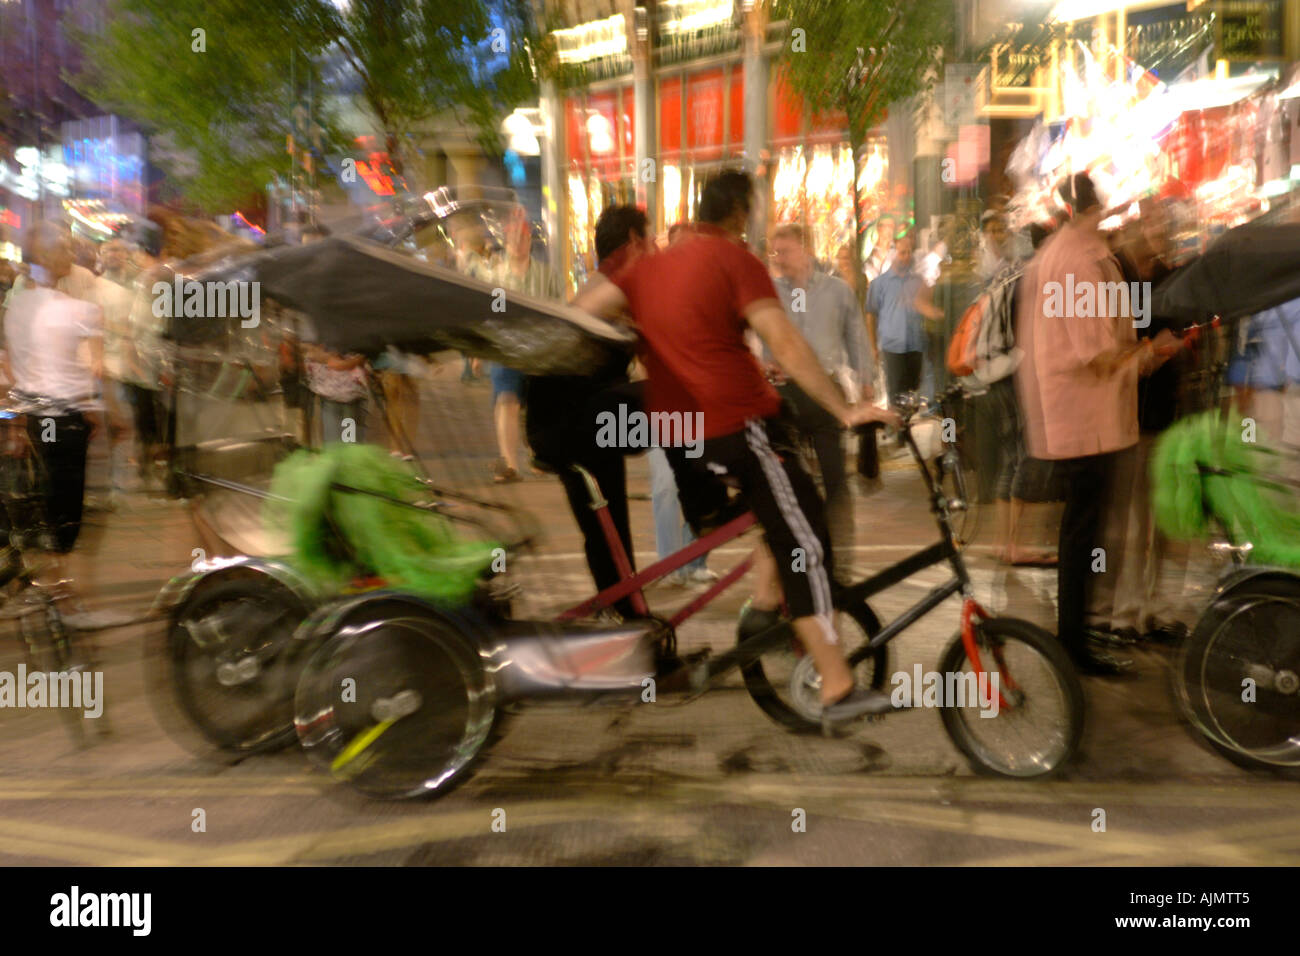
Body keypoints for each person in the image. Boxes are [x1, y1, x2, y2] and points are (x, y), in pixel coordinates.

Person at [575, 170, 900, 725]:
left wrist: (650, 339)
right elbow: (787, 342)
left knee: (778, 514)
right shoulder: (736, 260)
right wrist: (844, 409)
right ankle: (836, 682)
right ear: (741, 211)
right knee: (806, 534)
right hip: (739, 425)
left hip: (688, 434)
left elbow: (579, 311)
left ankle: (767, 608)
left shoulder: (647, 268)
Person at [1015, 173, 1179, 676]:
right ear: (1091, 207)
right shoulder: (1079, 260)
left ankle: (1076, 638)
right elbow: (1095, 354)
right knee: (1082, 534)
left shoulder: (1067, 254)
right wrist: (1151, 352)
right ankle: (1074, 646)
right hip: (1086, 418)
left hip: (1080, 418)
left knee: (1083, 533)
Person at [2, 223, 115, 627]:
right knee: (66, 506)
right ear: (51, 257)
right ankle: (66, 600)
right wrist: (98, 412)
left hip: (34, 418)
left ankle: (51, 587)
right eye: (65, 247)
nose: (73, 252)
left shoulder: (16, 307)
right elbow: (79, 374)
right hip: (64, 418)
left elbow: (10, 366)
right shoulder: (76, 311)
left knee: (43, 499)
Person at [766, 223, 872, 578]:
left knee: (836, 479)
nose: (779, 259)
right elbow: (766, 339)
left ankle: (839, 561)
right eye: (775, 252)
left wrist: (865, 381)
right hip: (785, 392)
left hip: (825, 391)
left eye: (786, 251)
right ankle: (796, 560)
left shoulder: (836, 291)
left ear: (806, 249)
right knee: (788, 483)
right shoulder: (771, 292)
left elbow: (856, 338)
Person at [866, 231, 926, 405]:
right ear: (893, 255)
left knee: (914, 396)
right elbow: (871, 314)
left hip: (915, 346)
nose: (907, 256)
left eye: (909, 252)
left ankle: (913, 431)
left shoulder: (918, 281)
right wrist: (872, 347)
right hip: (892, 348)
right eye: (902, 252)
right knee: (896, 398)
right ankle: (898, 430)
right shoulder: (879, 284)